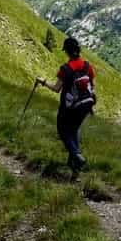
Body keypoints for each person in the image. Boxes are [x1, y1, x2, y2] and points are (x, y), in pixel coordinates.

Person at [36, 36, 96, 179]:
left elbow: (57, 88)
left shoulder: (65, 69)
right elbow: (92, 86)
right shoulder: (87, 66)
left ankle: (76, 156)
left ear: (67, 52)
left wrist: (42, 81)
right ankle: (75, 168)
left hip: (69, 107)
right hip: (86, 104)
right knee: (74, 130)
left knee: (63, 130)